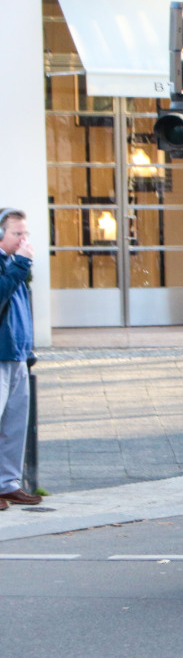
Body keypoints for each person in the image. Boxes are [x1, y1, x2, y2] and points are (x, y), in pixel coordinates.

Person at [0, 209, 40, 508]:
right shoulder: (14, 265)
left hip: (16, 355)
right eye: (17, 234)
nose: (23, 239)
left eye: (25, 233)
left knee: (14, 424)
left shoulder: (16, 264)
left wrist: (28, 349)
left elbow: (22, 308)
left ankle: (7, 484)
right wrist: (22, 265)